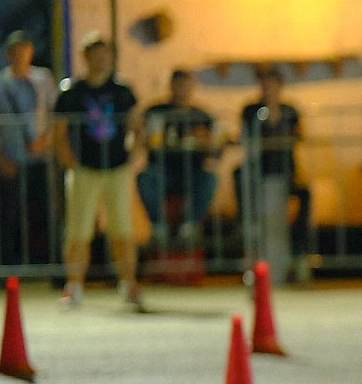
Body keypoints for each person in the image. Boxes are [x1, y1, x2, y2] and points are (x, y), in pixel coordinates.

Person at [52, 34, 144, 310]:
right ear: (86, 58)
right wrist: (69, 160)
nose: (102, 60)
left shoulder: (122, 91)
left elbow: (137, 125)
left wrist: (135, 155)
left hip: (116, 168)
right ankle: (75, 285)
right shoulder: (72, 92)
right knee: (79, 230)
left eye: (106, 54)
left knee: (122, 229)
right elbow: (59, 132)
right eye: (96, 55)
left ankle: (128, 282)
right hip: (85, 169)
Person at [0, 30, 58, 269]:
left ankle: (54, 265)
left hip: (41, 157)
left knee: (49, 214)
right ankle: (6, 268)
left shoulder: (44, 78)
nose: (19, 54)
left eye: (24, 49)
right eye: (14, 50)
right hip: (11, 157)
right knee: (7, 215)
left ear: (30, 51)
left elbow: (56, 116)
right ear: (7, 53)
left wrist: (48, 140)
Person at [238, 68, 313, 274]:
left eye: (272, 84)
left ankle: (300, 255)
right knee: (241, 183)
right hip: (257, 174)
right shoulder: (251, 110)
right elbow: (245, 137)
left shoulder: (290, 111)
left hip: (285, 172)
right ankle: (249, 245)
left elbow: (299, 136)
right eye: (265, 84)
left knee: (304, 198)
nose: (268, 89)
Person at [137, 69, 220, 243]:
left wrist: (207, 143)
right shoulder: (156, 111)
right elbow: (142, 138)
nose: (182, 90)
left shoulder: (202, 116)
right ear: (171, 86)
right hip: (161, 168)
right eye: (179, 85)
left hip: (192, 170)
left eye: (186, 85)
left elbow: (215, 149)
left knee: (210, 179)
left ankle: (190, 225)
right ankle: (158, 225)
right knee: (145, 178)